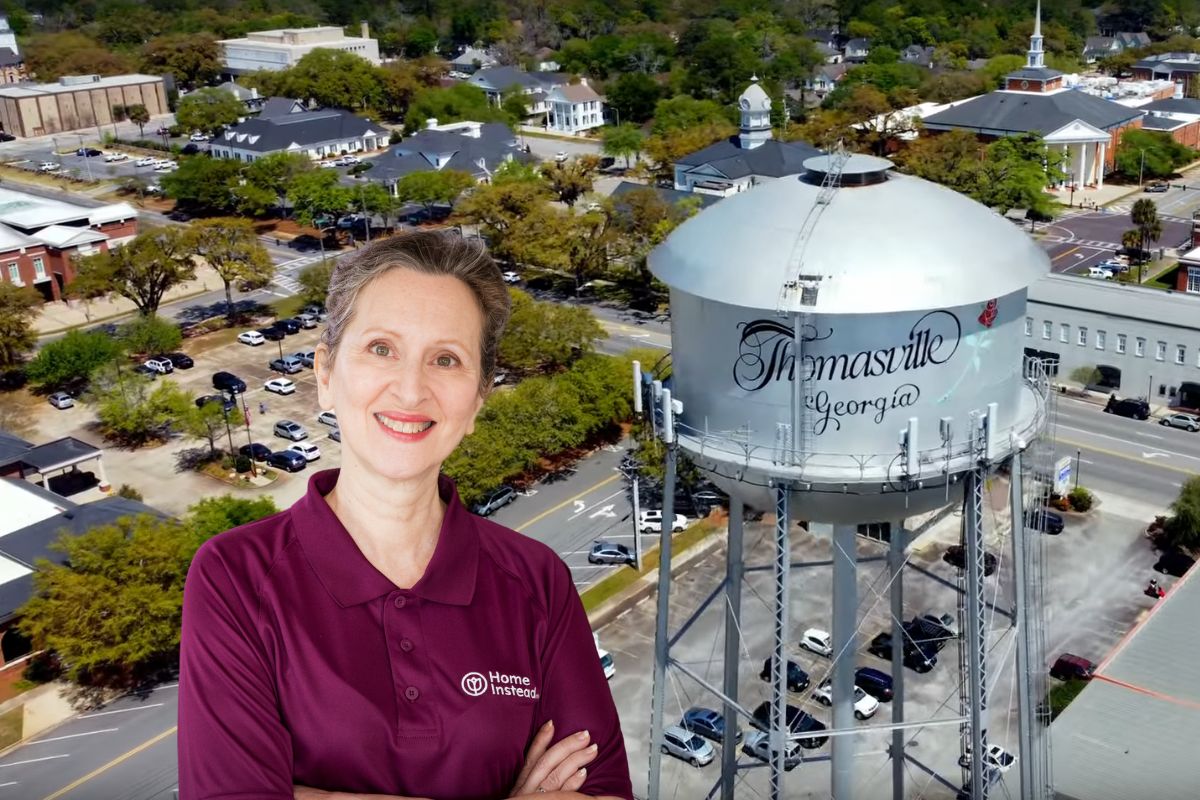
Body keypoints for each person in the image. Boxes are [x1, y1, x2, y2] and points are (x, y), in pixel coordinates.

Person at [179, 232, 632, 800]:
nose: (412, 389)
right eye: (381, 348)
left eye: (446, 359)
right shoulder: (235, 577)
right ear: (325, 374)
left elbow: (605, 791)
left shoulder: (535, 580)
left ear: (478, 400)